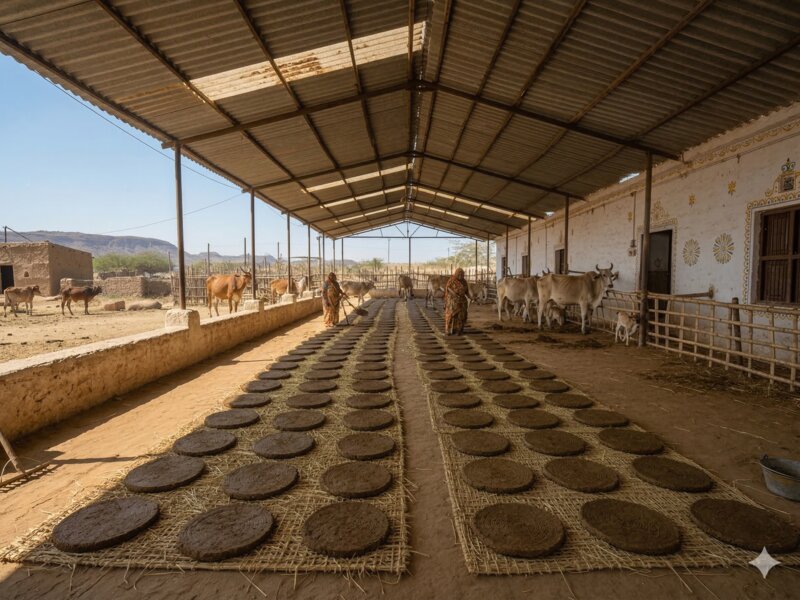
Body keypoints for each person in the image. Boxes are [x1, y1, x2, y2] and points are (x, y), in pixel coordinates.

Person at [444, 267, 469, 335]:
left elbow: (466, 291)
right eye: (459, 274)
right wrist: (454, 294)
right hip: (452, 300)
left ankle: (458, 330)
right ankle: (448, 330)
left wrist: (470, 297)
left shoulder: (464, 282)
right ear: (456, 274)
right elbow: (448, 288)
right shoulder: (452, 280)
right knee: (451, 315)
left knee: (461, 316)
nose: (460, 276)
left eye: (462, 275)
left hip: (462, 301)